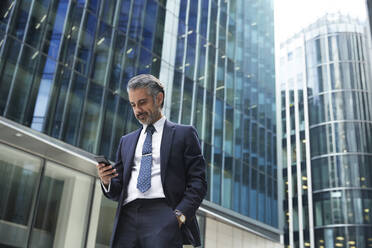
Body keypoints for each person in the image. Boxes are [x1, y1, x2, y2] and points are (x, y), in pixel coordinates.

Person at [96, 74, 207, 248]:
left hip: (164, 213)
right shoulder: (126, 141)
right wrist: (107, 181)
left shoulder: (184, 134)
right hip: (127, 216)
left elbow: (198, 182)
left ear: (159, 98)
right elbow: (117, 191)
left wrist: (180, 216)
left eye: (142, 102)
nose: (137, 110)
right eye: (133, 105)